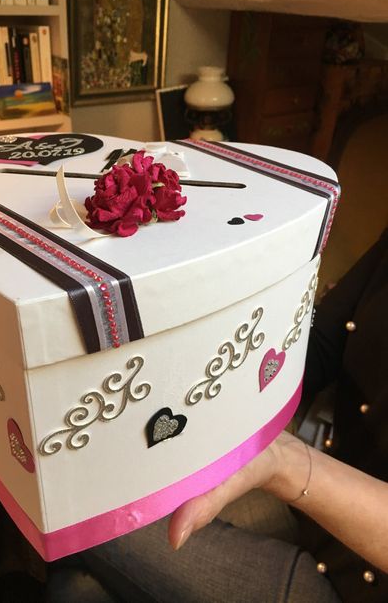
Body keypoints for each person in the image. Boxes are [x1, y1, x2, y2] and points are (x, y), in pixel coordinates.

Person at [81, 228, 388, 602]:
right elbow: (317, 347)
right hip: (315, 517)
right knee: (82, 581)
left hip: (349, 582)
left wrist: (286, 464)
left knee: (88, 511)